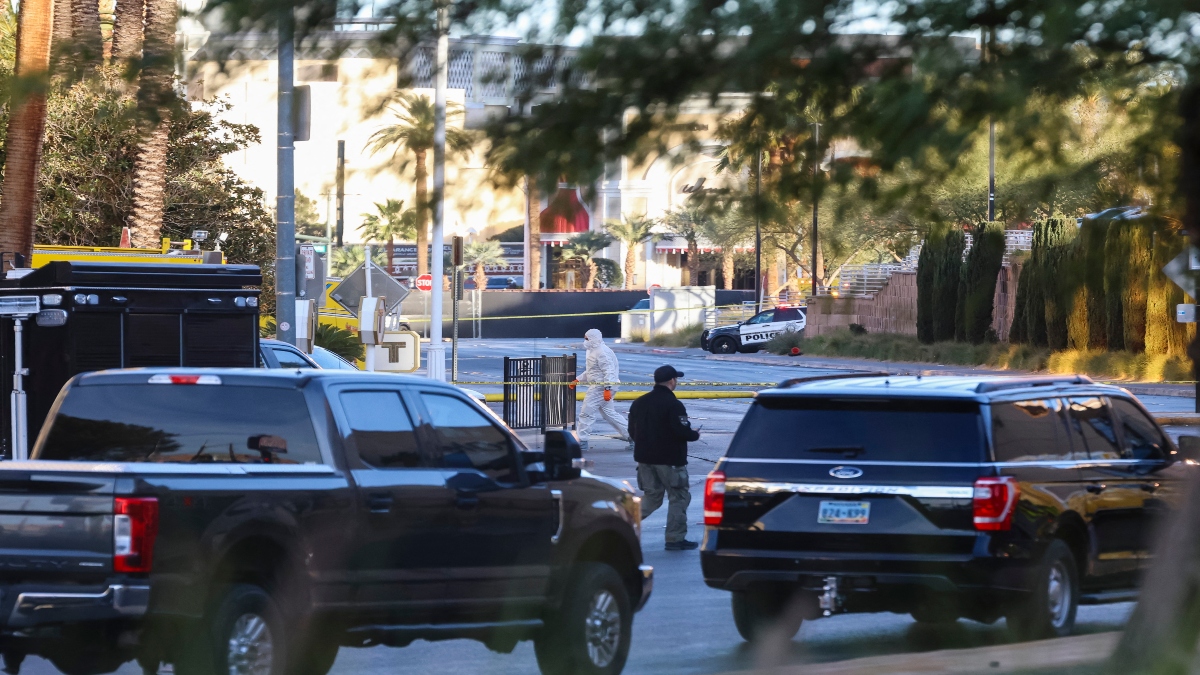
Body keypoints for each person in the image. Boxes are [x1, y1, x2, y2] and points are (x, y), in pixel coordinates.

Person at [628, 365, 701, 550]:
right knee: (679, 497)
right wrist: (694, 434)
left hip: (644, 459)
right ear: (671, 381)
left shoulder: (639, 402)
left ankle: (619, 522)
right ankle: (675, 538)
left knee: (652, 497)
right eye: (676, 379)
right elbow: (680, 431)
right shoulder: (673, 404)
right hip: (670, 461)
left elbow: (631, 431)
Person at [576, 328, 631, 451]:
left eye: (587, 338)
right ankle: (633, 436)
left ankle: (582, 441)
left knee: (586, 412)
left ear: (593, 338)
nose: (585, 340)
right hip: (601, 386)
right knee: (609, 414)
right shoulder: (594, 350)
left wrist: (607, 388)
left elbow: (609, 371)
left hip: (600, 388)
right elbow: (593, 371)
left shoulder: (601, 352)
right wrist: (579, 379)